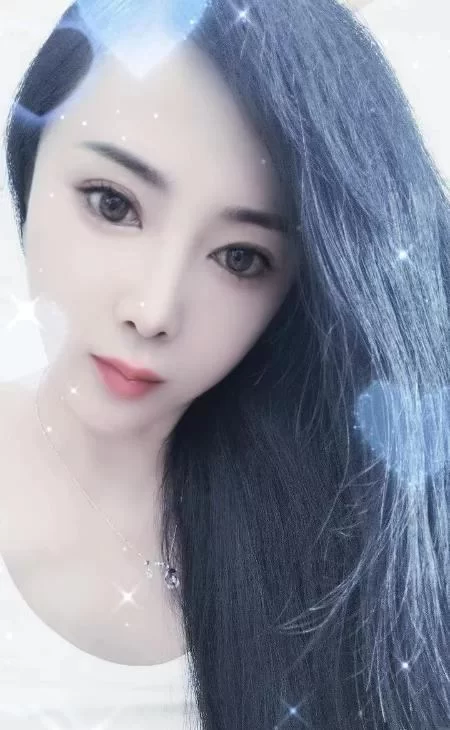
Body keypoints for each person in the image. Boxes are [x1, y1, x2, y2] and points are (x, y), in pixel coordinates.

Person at [1, 0, 449, 728]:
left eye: (240, 258)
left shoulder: (349, 546)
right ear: (30, 158)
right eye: (112, 204)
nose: (152, 311)